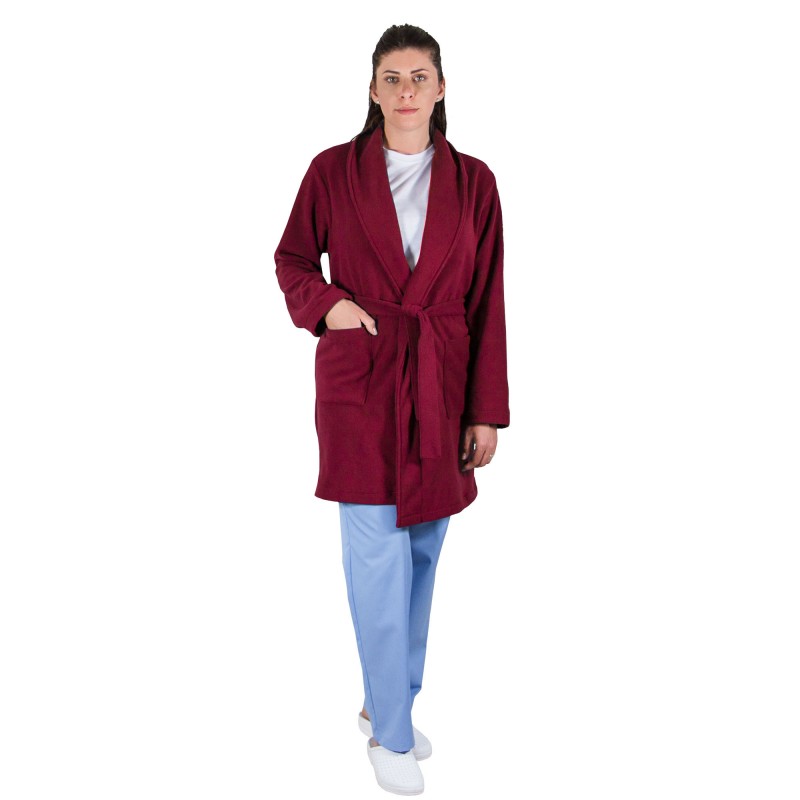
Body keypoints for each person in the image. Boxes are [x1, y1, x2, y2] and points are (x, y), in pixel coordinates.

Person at [274, 24, 510, 796]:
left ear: (441, 89)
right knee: (376, 558)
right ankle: (393, 736)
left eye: (419, 77)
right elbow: (292, 258)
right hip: (364, 384)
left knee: (422, 555)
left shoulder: (476, 183)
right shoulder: (332, 172)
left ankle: (388, 701)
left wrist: (484, 411)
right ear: (372, 91)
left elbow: (487, 298)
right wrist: (329, 306)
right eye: (391, 78)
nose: (406, 91)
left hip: (442, 383)